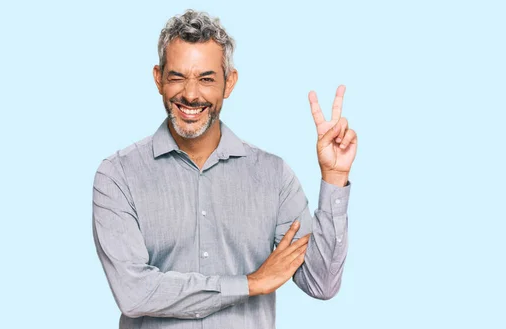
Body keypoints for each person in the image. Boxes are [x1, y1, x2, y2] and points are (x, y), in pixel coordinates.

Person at [92, 9, 358, 329]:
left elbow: (321, 283)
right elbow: (134, 292)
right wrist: (250, 283)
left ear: (229, 82)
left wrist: (334, 177)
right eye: (177, 76)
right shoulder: (118, 176)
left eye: (206, 79)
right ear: (158, 78)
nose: (191, 94)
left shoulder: (272, 177)